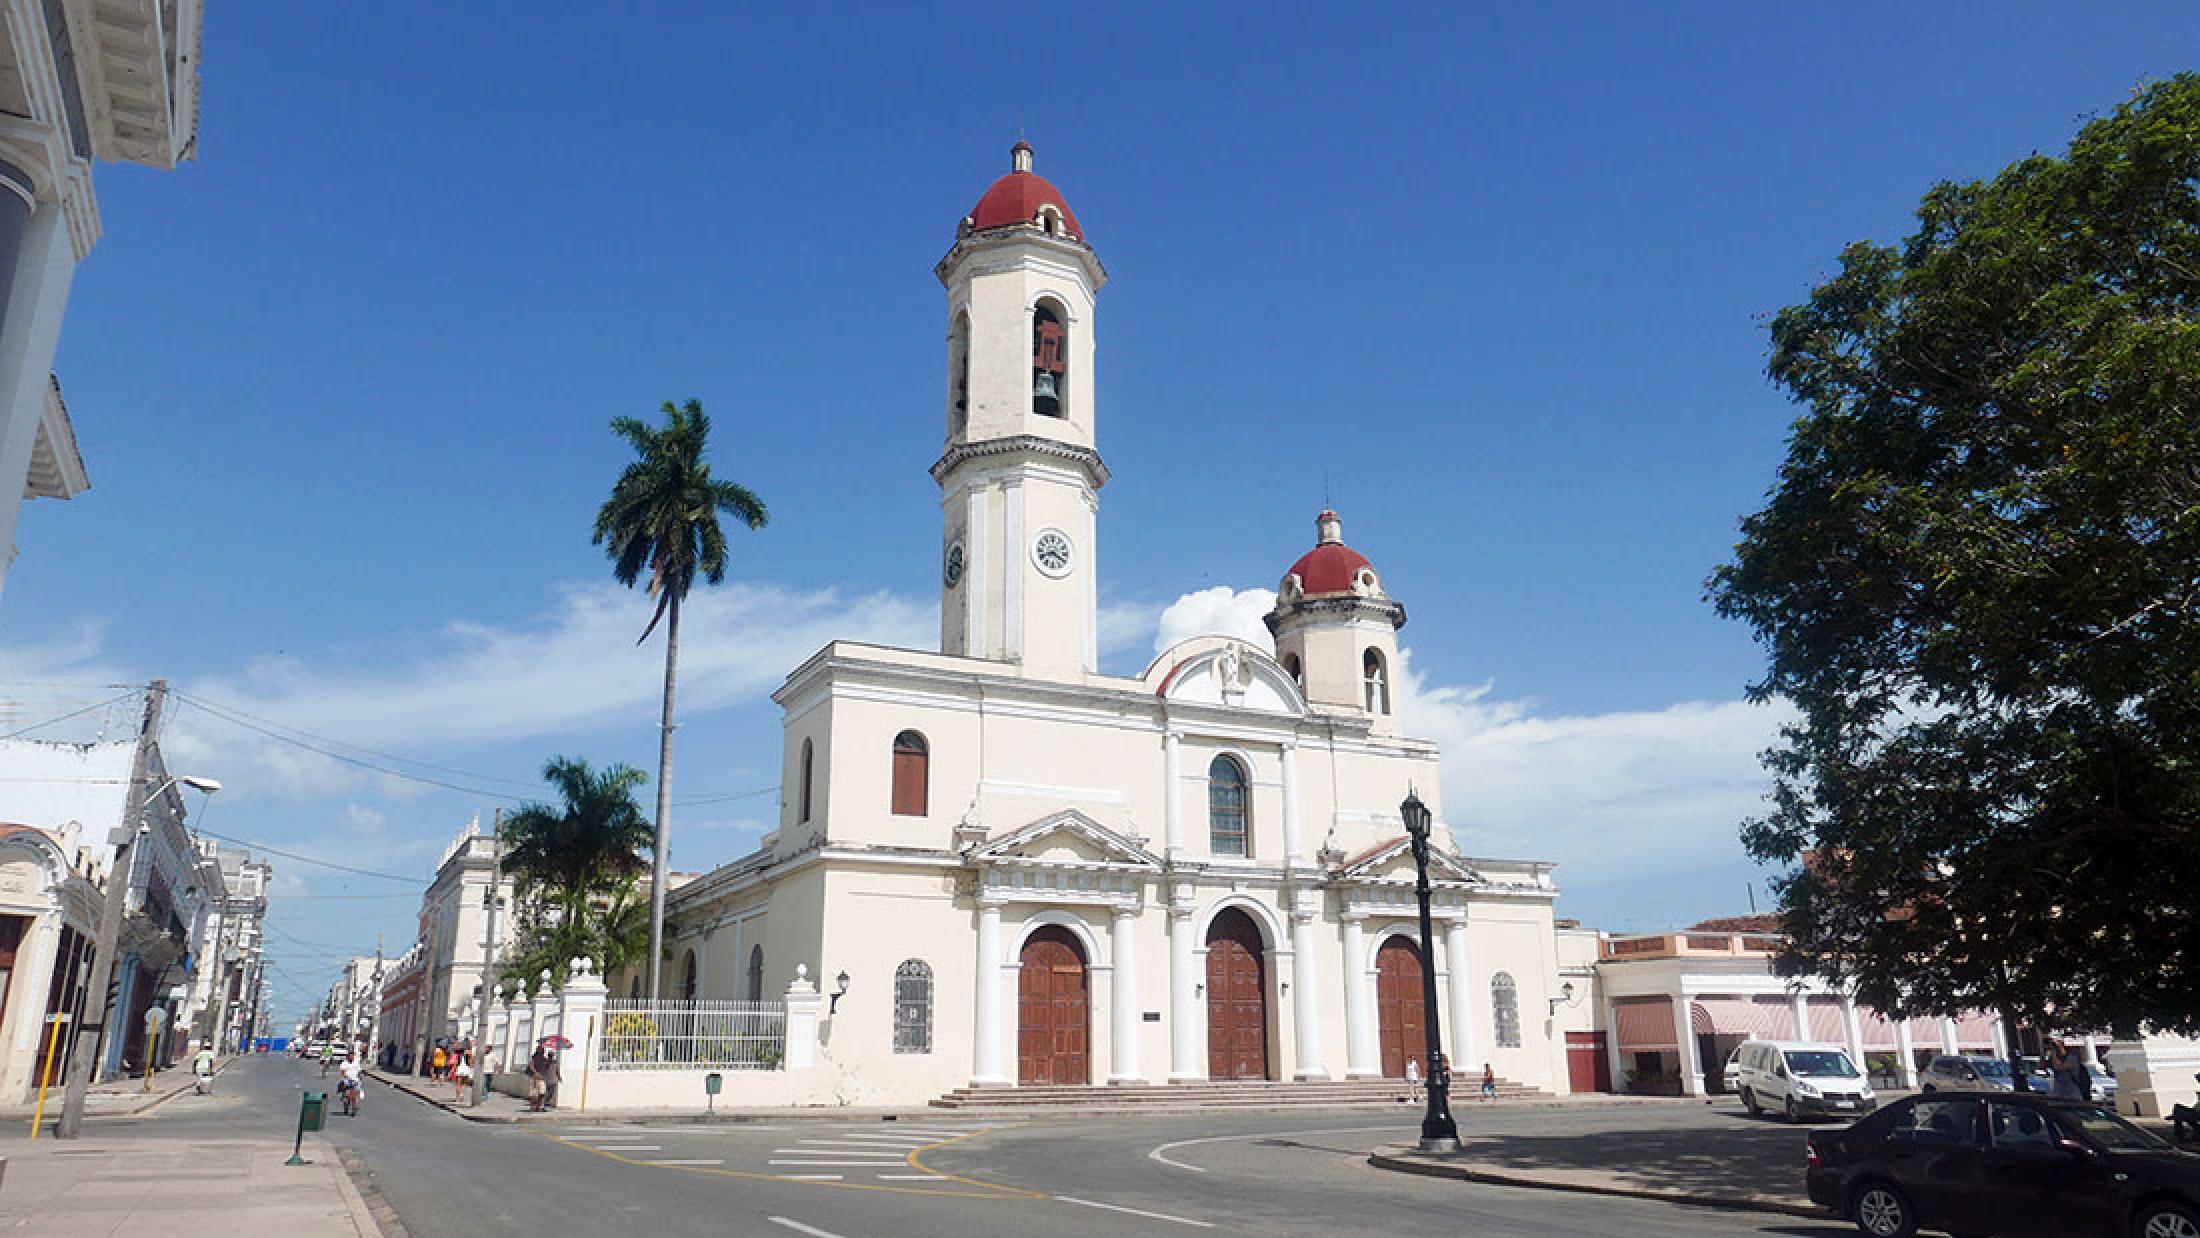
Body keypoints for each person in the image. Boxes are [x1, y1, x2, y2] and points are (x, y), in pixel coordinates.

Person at [527, 1041, 561, 1112]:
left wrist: (550, 1058)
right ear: (538, 1051)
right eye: (542, 1050)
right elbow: (531, 1066)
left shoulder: (544, 1059)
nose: (543, 1052)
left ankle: (541, 1106)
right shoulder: (534, 1058)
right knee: (534, 1094)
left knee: (542, 1093)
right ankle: (533, 1107)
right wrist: (536, 1072)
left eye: (543, 1050)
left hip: (542, 1078)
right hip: (535, 1078)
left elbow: (547, 1066)